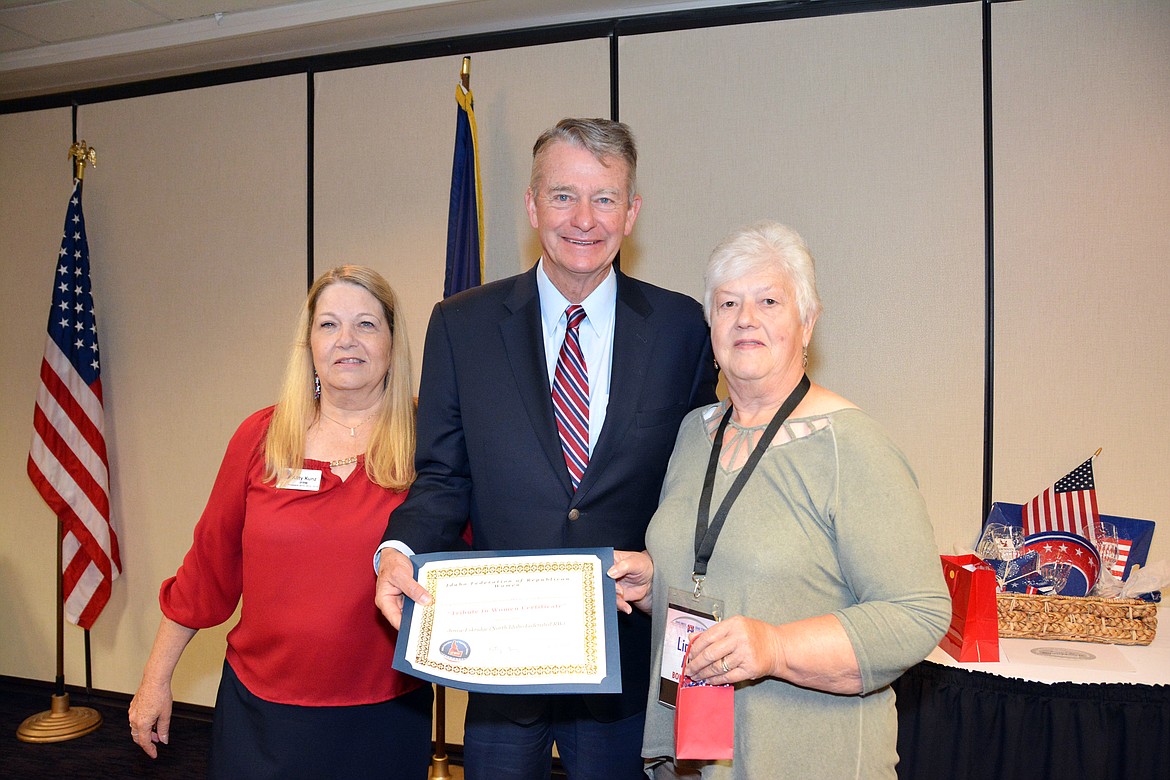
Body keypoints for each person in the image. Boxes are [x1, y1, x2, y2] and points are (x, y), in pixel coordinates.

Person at [374, 118, 718, 780]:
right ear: (532, 206)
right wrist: (398, 551)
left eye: (605, 197)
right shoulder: (461, 326)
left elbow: (695, 486)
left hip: (626, 657)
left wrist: (662, 562)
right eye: (563, 196)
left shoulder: (683, 329)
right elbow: (442, 479)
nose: (583, 219)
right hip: (503, 663)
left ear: (632, 211)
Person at [609, 221, 951, 779]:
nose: (746, 318)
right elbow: (718, 564)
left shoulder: (851, 445)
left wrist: (775, 647)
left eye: (768, 300)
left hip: (808, 760)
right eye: (727, 304)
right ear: (711, 326)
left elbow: (918, 613)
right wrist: (657, 580)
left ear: (807, 322)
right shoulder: (694, 434)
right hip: (694, 759)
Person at [129, 266, 432, 779]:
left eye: (366, 324)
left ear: (391, 341)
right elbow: (208, 569)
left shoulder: (431, 443)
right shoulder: (261, 437)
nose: (347, 341)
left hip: (385, 710)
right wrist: (155, 679)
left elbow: (473, 560)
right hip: (262, 712)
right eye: (329, 325)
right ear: (309, 342)